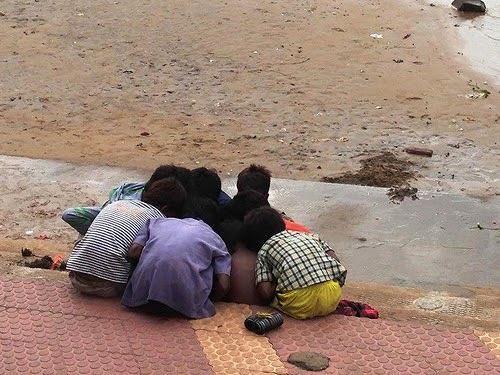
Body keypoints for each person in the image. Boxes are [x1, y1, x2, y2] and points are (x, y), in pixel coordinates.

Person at [66, 178, 187, 297]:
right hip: (108, 286)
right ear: (165, 209)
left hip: (76, 277)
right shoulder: (157, 219)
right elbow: (136, 253)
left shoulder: (117, 203)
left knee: (93, 228)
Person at [122, 197, 231, 319]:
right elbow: (223, 285)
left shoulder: (155, 222)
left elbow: (134, 252)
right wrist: (207, 300)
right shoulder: (216, 239)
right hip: (186, 307)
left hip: (140, 299)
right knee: (206, 262)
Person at [241, 207, 347, 320]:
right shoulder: (307, 235)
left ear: (254, 240)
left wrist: (282, 276)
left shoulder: (264, 250)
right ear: (282, 225)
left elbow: (265, 293)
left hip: (298, 305)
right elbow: (336, 261)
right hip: (333, 297)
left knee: (274, 297)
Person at [61, 165, 191, 236]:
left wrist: (97, 234)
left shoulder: (122, 195)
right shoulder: (148, 216)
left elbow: (70, 214)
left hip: (80, 268)